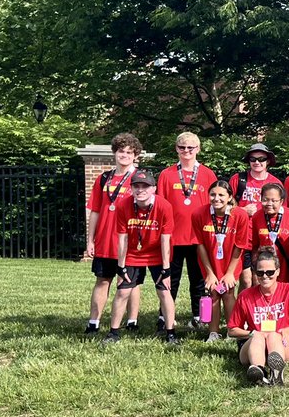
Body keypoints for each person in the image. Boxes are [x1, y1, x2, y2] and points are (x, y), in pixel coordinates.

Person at [104, 169, 178, 346]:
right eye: (136, 186)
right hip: (132, 254)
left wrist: (166, 269)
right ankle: (113, 332)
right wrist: (120, 267)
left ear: (154, 188)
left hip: (157, 254)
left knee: (164, 291)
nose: (140, 190)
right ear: (131, 189)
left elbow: (165, 239)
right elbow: (122, 238)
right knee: (122, 291)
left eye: (145, 186)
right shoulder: (123, 205)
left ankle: (171, 333)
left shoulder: (164, 206)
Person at [156, 132, 219, 328]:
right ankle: (165, 316)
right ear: (176, 149)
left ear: (198, 149)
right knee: (170, 279)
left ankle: (201, 317)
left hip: (199, 237)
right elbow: (160, 205)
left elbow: (215, 204)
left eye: (190, 148)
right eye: (182, 147)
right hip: (173, 236)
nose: (186, 151)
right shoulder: (167, 174)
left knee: (199, 279)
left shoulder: (208, 174)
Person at [85, 132, 143, 337]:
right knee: (102, 280)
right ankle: (93, 322)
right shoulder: (103, 178)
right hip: (104, 239)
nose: (125, 155)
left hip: (130, 240)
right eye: (121, 151)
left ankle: (132, 320)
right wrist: (90, 240)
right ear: (114, 153)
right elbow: (95, 210)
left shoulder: (140, 179)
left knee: (129, 282)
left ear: (135, 155)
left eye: (129, 152)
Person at [227, 246, 289, 386]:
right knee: (258, 335)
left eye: (269, 272)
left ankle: (276, 373)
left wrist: (286, 331)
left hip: (284, 342)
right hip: (255, 344)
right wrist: (252, 333)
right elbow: (232, 330)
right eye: (260, 273)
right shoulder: (245, 296)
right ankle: (259, 371)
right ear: (255, 273)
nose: (265, 276)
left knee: (273, 335)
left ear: (278, 272)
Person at [193, 179, 250, 342]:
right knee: (213, 292)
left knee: (228, 291)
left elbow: (240, 245)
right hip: (209, 261)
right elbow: (200, 245)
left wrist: (230, 272)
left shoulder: (240, 215)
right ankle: (213, 332)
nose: (216, 198)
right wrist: (210, 273)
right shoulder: (199, 214)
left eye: (221, 195)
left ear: (229, 197)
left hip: (231, 260)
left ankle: (232, 330)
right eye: (212, 194)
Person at [231, 144, 282, 288]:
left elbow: (282, 211)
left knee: (258, 279)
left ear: (268, 161)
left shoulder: (275, 183)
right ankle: (243, 309)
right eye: (253, 159)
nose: (257, 162)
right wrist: (242, 210)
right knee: (246, 281)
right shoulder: (238, 180)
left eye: (261, 159)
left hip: (264, 238)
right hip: (242, 237)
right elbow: (225, 207)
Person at [250, 183, 289, 283]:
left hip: (288, 266)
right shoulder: (257, 217)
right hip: (266, 268)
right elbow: (254, 246)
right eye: (265, 200)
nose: (269, 204)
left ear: (281, 201)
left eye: (274, 200)